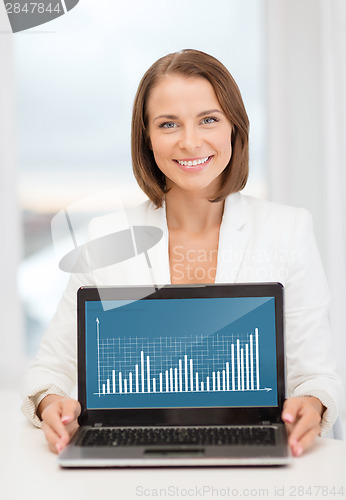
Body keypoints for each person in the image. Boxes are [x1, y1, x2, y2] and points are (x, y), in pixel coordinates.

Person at [21, 49, 343, 457]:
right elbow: (49, 371)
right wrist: (53, 404)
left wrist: (311, 403)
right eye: (168, 123)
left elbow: (315, 376)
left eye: (209, 119)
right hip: (132, 457)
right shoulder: (108, 238)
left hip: (248, 453)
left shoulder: (288, 229)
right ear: (147, 138)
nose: (190, 142)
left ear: (234, 128)